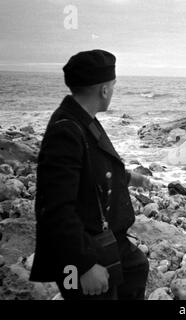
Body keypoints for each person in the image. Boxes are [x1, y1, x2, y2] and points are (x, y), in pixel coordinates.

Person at [29, 49, 151, 300]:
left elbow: (93, 170)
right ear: (104, 90)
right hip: (83, 248)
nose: (113, 92)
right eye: (113, 86)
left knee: (137, 268)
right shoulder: (66, 131)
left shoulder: (84, 118)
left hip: (107, 238)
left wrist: (130, 178)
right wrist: (82, 265)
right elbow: (55, 208)